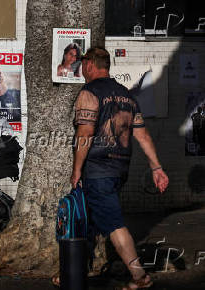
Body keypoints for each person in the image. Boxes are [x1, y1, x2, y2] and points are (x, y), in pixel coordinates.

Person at [65, 47, 169, 289]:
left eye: (83, 65)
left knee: (113, 224)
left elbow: (85, 133)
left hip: (97, 171)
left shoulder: (89, 93)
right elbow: (142, 136)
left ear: (90, 65)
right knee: (88, 222)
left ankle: (139, 277)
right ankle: (72, 273)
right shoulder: (127, 96)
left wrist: (76, 169)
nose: (81, 70)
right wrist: (157, 168)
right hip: (119, 170)